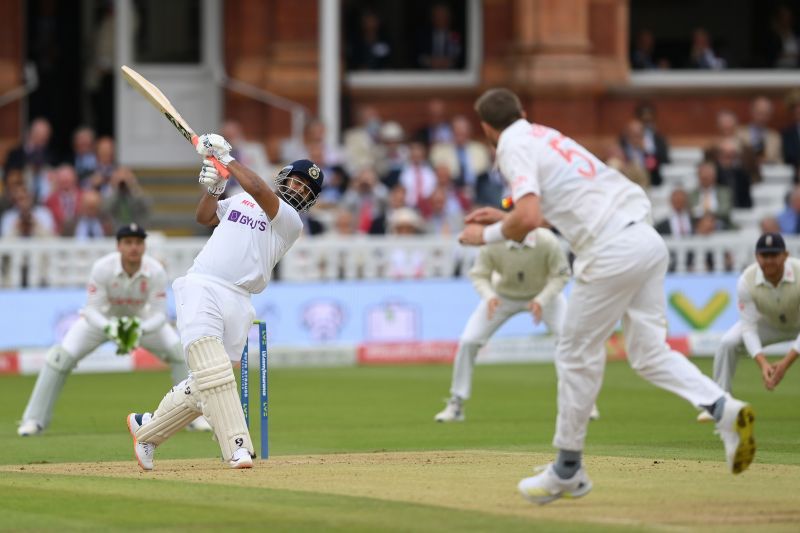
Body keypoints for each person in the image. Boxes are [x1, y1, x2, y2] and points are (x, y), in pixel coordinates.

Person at [460, 88, 755, 505]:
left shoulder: (512, 144)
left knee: (575, 353)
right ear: (523, 112)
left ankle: (567, 469)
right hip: (646, 239)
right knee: (649, 353)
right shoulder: (545, 134)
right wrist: (508, 218)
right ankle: (725, 411)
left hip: (611, 251)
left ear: (487, 129)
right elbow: (552, 211)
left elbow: (528, 217)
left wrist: (485, 235)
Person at [126, 134, 323, 471]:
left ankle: (148, 430)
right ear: (284, 176)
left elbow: (260, 190)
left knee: (206, 383)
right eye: (297, 182)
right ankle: (238, 446)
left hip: (240, 299)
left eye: (307, 190)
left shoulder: (289, 220)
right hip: (202, 283)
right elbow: (204, 217)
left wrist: (226, 158)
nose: (300, 190)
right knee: (214, 373)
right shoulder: (241, 200)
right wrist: (216, 187)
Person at [17, 223, 210, 436]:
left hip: (140, 322)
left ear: (144, 246)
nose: (133, 248)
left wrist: (137, 328)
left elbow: (158, 315)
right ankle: (33, 420)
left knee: (180, 354)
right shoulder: (103, 268)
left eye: (138, 242)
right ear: (119, 246)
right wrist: (111, 327)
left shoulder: (155, 270)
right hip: (103, 322)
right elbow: (91, 311)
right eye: (128, 243)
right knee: (58, 359)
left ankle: (194, 417)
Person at [434, 227, 600, 423]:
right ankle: (456, 404)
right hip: (502, 297)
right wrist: (489, 296)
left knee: (568, 341)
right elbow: (479, 274)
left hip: (544, 295)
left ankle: (582, 403)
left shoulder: (546, 240)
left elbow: (561, 275)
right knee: (469, 341)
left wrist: (542, 300)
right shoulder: (494, 242)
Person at [697, 233, 799, 422]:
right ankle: (720, 403)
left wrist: (784, 365)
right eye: (764, 256)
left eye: (774, 256)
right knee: (728, 342)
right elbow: (749, 328)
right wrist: (764, 364)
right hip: (768, 323)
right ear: (756, 257)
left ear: (785, 255)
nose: (769, 261)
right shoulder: (747, 280)